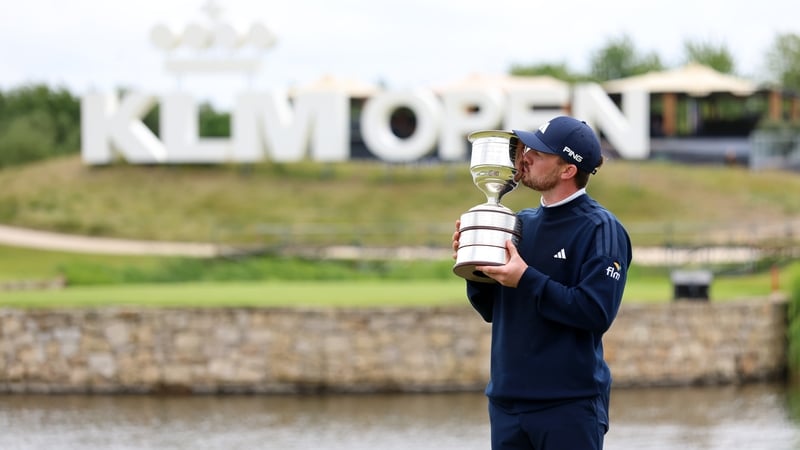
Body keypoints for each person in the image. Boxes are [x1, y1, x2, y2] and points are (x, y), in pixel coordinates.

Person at [452, 116, 632, 450]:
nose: (525, 155)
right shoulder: (519, 223)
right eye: (528, 146)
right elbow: (493, 309)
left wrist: (526, 279)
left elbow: (594, 312)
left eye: (540, 152)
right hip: (507, 404)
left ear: (567, 170)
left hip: (568, 406)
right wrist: (477, 269)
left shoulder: (601, 229)